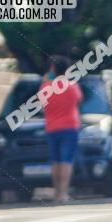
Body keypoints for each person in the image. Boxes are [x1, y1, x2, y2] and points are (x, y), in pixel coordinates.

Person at [41, 55, 82, 202]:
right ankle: (63, 193)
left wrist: (45, 82)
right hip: (70, 127)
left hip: (52, 128)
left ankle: (57, 192)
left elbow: (42, 104)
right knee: (66, 160)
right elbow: (78, 102)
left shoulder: (46, 87)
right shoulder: (73, 87)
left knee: (55, 160)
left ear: (53, 68)